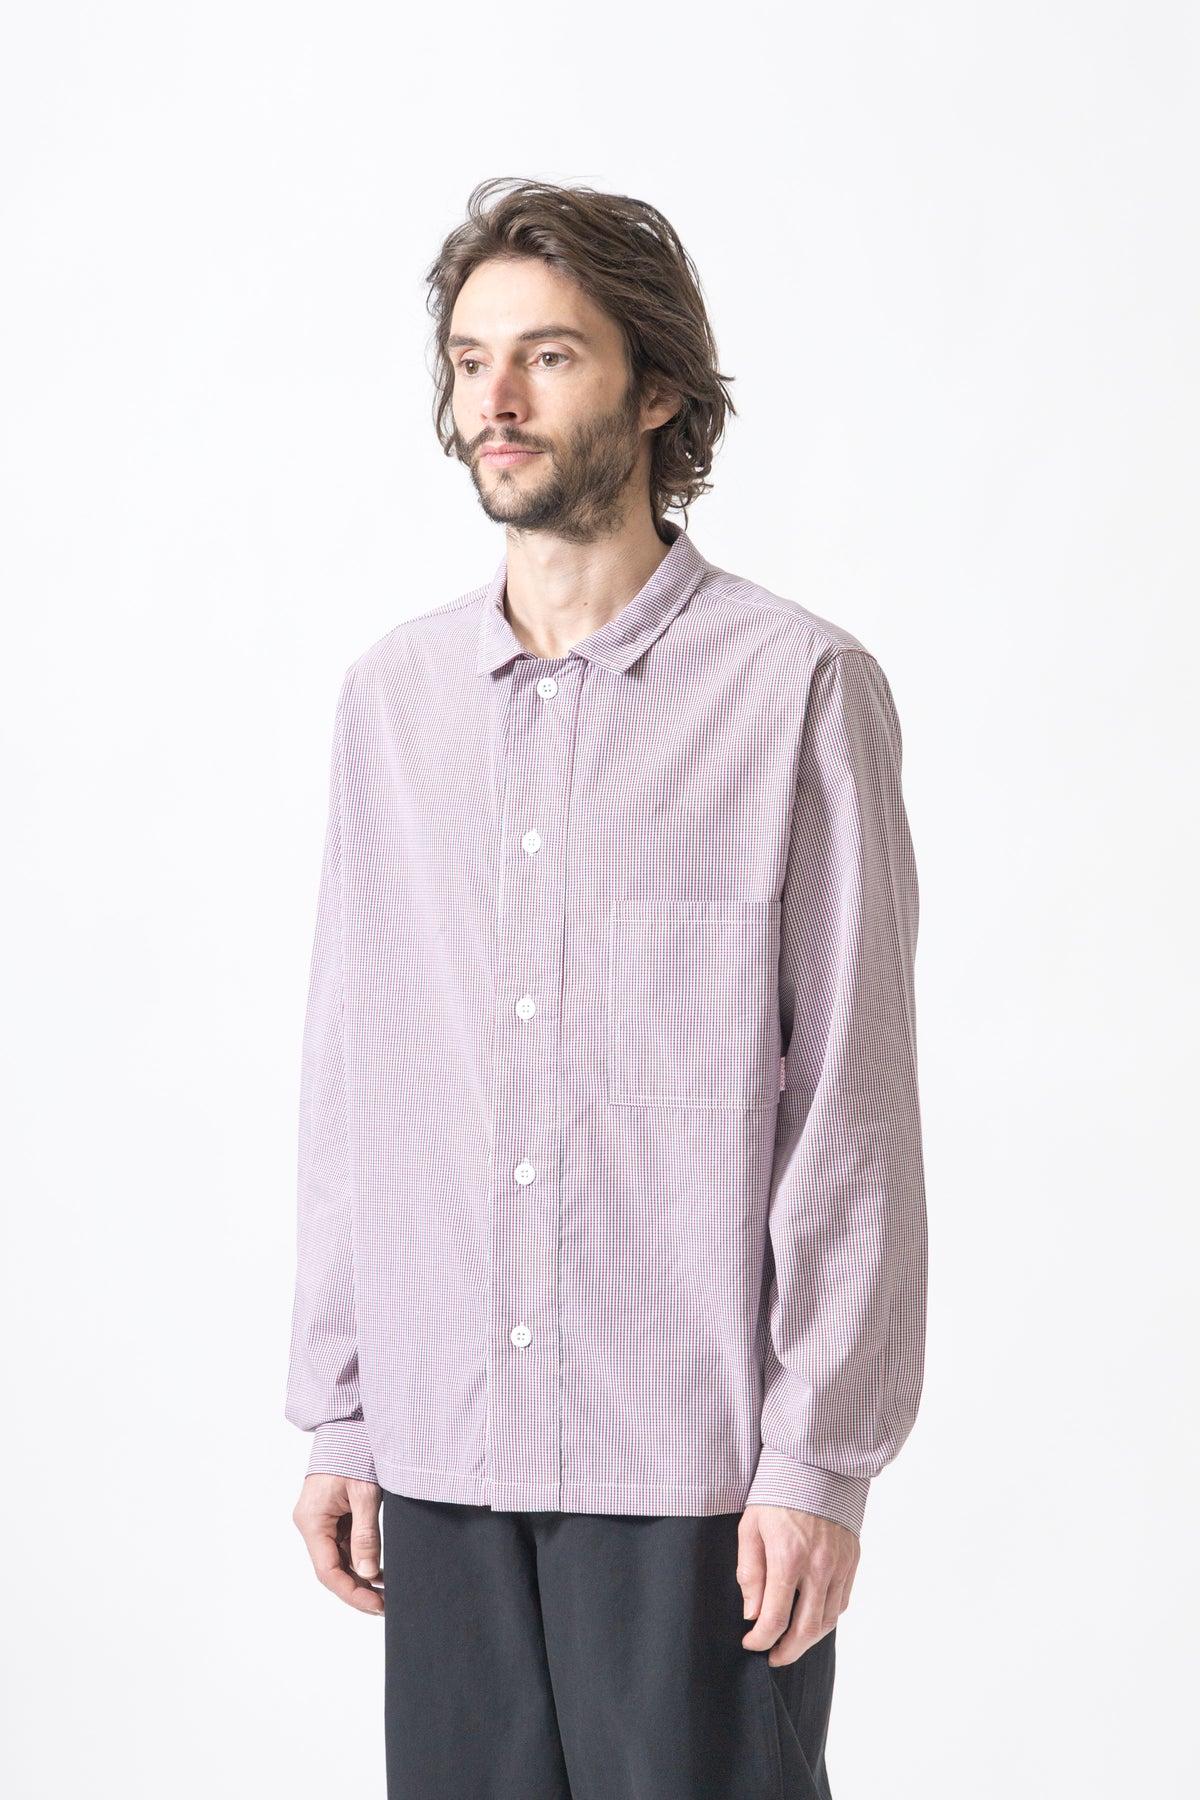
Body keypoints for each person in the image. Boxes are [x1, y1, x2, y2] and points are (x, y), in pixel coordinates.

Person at [285, 176, 928, 1799]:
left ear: (655, 392)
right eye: (470, 359)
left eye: (548, 356)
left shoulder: (796, 687)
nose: (493, 399)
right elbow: (360, 1078)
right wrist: (344, 1416)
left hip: (694, 1479)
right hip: (440, 1456)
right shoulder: (392, 703)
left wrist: (816, 1460)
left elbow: (849, 1107)